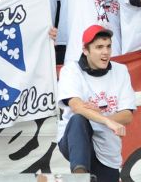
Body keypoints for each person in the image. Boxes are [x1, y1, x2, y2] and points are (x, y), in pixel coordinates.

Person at [57, 25, 135, 181]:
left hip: (107, 150)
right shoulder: (70, 70)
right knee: (79, 119)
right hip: (74, 140)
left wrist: (99, 116)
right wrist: (107, 120)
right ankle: (79, 177)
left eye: (108, 46)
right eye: (99, 47)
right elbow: (77, 107)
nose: (105, 52)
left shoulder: (121, 71)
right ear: (86, 50)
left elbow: (127, 115)